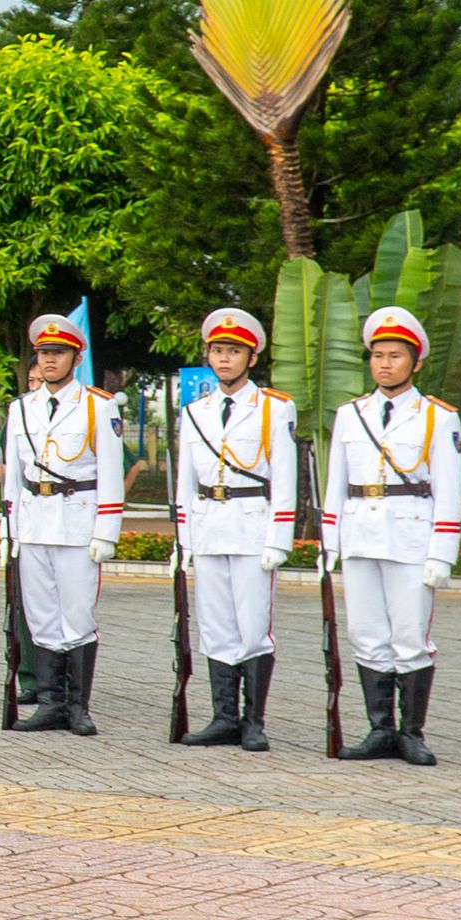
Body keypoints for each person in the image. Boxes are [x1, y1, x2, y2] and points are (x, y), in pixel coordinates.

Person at [323, 306, 461, 766]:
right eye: (378, 355)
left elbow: (447, 489)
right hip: (361, 533)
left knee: (409, 636)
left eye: (395, 356)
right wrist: (331, 541)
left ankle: (411, 732)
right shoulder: (350, 414)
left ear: (416, 361)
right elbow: (336, 483)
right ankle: (379, 729)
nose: (385, 364)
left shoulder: (438, 417)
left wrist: (442, 552)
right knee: (366, 633)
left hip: (410, 538)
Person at [172, 307, 298, 751]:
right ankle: (224, 716)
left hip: (251, 527)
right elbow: (186, 481)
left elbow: (285, 477)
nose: (224, 359)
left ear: (252, 357)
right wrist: (184, 538)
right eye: (218, 350)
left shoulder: (274, 409)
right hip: (209, 525)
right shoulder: (195, 411)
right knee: (216, 624)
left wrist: (279, 537)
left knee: (252, 626)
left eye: (234, 351)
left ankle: (254, 721)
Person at [0, 316, 121, 737]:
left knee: (78, 615)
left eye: (58, 353)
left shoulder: (98, 405)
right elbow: (14, 477)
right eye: (44, 354)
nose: (50, 360)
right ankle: (50, 703)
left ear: (75, 357)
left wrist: (107, 529)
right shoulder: (21, 408)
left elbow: (109, 471)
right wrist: (7, 531)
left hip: (77, 522)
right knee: (42, 616)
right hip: (33, 523)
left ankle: (78, 706)